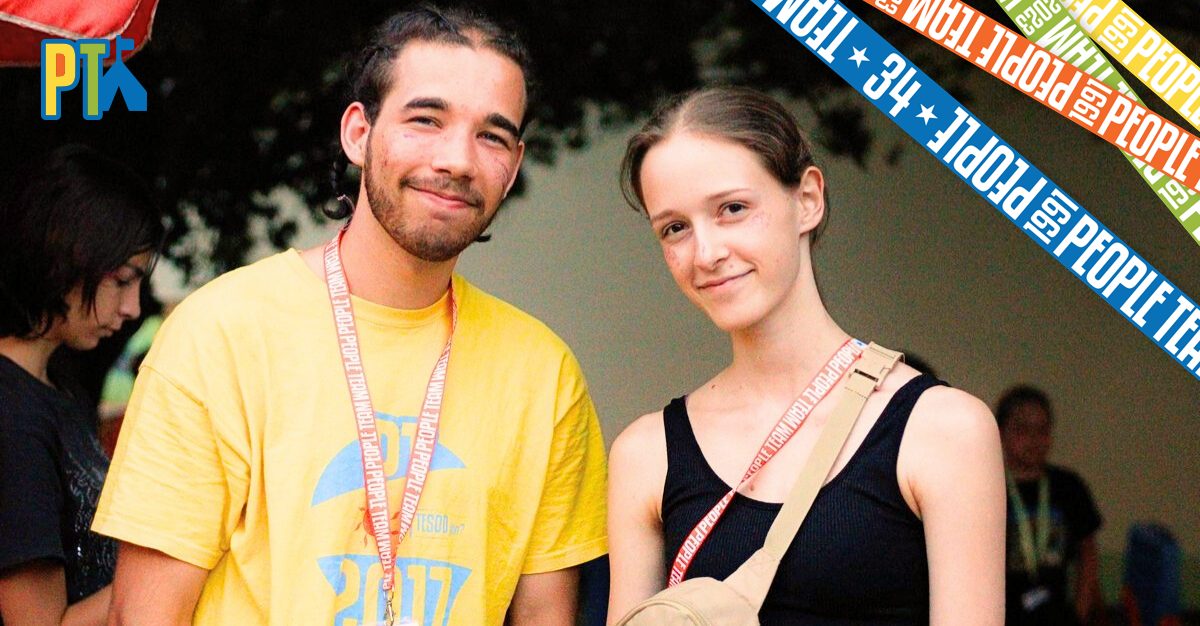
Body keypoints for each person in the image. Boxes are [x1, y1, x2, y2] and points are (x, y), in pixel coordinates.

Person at [92, 6, 607, 625]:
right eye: (426, 120)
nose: (458, 159)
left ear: (514, 165)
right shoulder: (222, 332)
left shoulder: (543, 372)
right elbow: (144, 616)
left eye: (491, 136)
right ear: (358, 133)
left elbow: (545, 616)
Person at [606, 87, 1006, 625]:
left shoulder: (942, 429)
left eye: (732, 209)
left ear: (808, 199)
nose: (706, 253)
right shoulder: (646, 453)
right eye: (675, 228)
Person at [0, 144, 163, 625]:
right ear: (65, 260)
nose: (133, 308)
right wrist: (175, 565)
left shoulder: (58, 388)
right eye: (122, 280)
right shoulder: (11, 415)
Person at [997, 385, 1104, 625]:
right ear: (1001, 433)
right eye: (1023, 430)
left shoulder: (1068, 486)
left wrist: (1080, 612)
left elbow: (1088, 552)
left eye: (1042, 430)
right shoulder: (989, 487)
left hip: (1058, 614)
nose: (1034, 440)